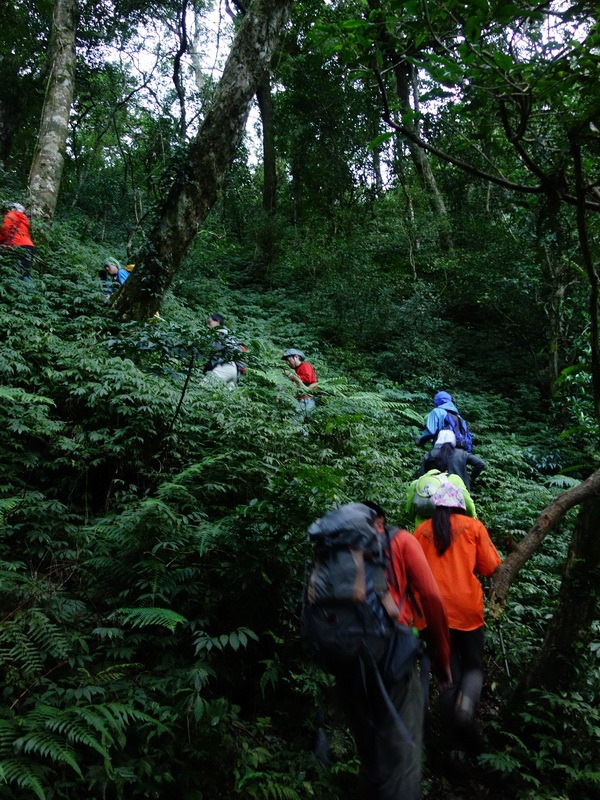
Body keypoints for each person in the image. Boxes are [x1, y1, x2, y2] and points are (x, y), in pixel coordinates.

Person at [334, 501, 452, 800]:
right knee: (403, 756)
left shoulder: (335, 547)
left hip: (347, 659)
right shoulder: (400, 541)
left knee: (371, 756)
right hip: (391, 656)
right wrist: (442, 659)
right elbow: (431, 598)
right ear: (381, 521)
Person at [413, 483, 502, 757]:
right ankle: (465, 713)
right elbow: (491, 567)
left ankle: (450, 747)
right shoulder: (474, 527)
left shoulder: (421, 530)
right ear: (461, 504)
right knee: (473, 666)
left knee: (446, 675)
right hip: (467, 610)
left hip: (431, 613)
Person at [406, 460, 477, 529]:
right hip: (447, 527)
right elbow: (467, 503)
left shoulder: (416, 483)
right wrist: (473, 517)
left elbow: (409, 510)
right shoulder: (453, 478)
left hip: (422, 528)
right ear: (446, 470)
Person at [418, 430, 485, 491]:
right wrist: (471, 478)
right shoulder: (462, 453)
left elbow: (421, 476)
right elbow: (480, 463)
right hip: (460, 491)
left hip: (437, 492)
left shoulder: (430, 454)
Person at [203, 313, 238, 388]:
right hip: (233, 369)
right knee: (226, 397)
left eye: (209, 322)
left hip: (223, 368)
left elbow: (215, 356)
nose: (207, 326)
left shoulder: (219, 335)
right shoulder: (229, 336)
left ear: (217, 322)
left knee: (203, 388)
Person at [0, 202, 36, 276]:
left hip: (18, 245)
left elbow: (5, 229)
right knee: (25, 272)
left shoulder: (11, 215)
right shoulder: (24, 219)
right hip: (29, 246)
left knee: (17, 273)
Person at [281, 348, 317, 414]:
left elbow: (307, 379)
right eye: (286, 361)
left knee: (297, 421)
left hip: (307, 399)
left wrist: (291, 376)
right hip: (303, 399)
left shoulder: (305, 365)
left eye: (289, 360)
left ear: (296, 357)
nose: (287, 363)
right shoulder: (298, 369)